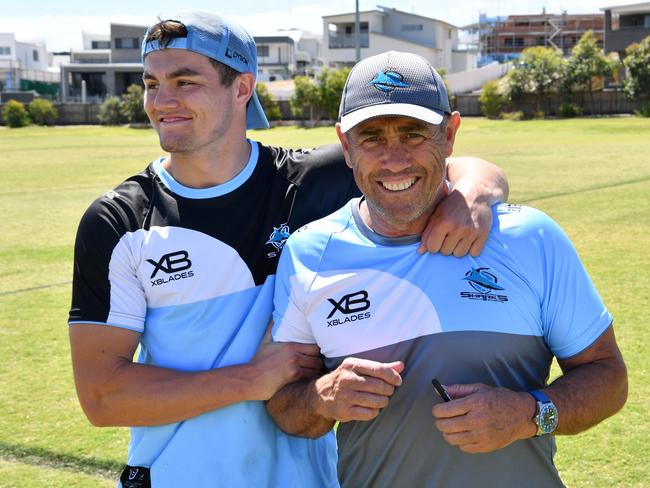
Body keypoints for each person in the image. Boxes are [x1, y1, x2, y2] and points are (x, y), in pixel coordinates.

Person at [68, 12, 508, 488]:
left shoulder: (312, 182)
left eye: (185, 81)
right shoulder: (119, 221)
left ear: (242, 88)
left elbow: (454, 162)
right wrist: (249, 380)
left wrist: (473, 195)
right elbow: (102, 396)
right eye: (152, 83)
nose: (162, 101)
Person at [266, 50, 628, 488]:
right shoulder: (308, 252)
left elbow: (608, 377)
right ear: (345, 145)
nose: (395, 159)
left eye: (414, 134)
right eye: (372, 137)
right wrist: (322, 399)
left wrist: (528, 415)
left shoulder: (530, 238)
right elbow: (286, 408)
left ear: (451, 134)